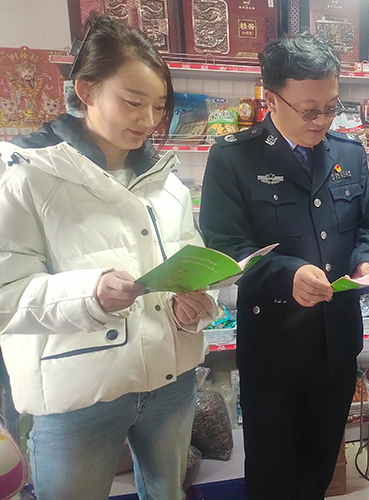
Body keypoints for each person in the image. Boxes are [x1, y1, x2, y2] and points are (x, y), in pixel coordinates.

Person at [0, 16, 216, 500]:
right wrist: (90, 294)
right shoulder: (26, 178)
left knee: (168, 492)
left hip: (170, 381)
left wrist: (193, 306)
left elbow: (189, 263)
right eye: (133, 102)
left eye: (158, 106)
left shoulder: (168, 184)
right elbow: (6, 296)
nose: (148, 120)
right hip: (77, 395)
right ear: (87, 90)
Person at [199, 33, 369, 499]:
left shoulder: (349, 152)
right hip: (273, 346)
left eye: (331, 108)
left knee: (320, 463)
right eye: (308, 110)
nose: (322, 121)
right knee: (273, 470)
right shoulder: (234, 157)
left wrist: (366, 263)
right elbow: (226, 247)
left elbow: (368, 227)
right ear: (271, 99)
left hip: (337, 341)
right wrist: (288, 274)